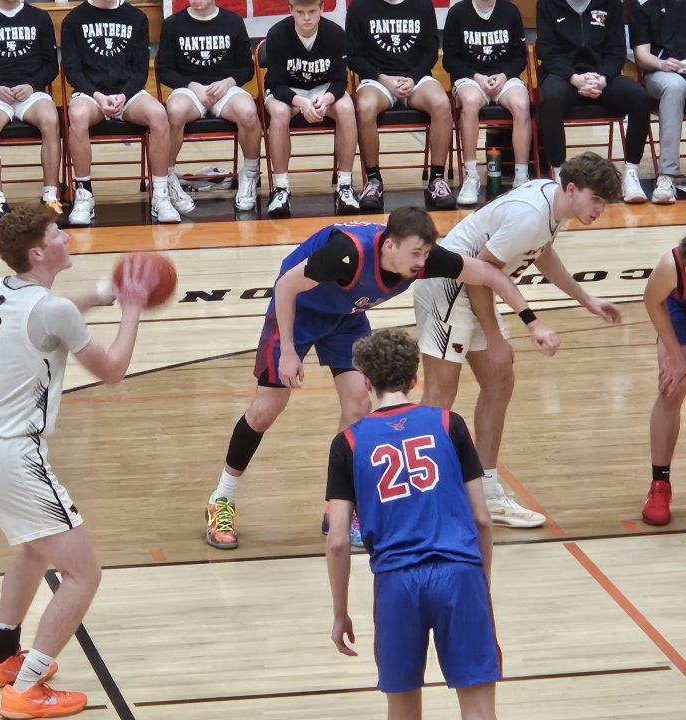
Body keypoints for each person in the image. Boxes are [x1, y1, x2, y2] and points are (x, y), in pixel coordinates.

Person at [203, 206, 559, 550]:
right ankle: (222, 498)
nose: (422, 263)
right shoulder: (347, 252)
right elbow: (285, 287)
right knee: (268, 408)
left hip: (345, 317)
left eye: (425, 254)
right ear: (390, 245)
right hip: (301, 310)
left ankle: (340, 511)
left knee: (359, 403)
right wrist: (289, 352)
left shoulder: (422, 260)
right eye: (416, 253)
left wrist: (532, 320)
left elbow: (487, 273)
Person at [0, 204, 156, 720]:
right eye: (56, 234)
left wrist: (107, 292)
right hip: (12, 458)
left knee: (32, 551)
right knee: (84, 573)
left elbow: (54, 315)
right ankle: (26, 689)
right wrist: (131, 307)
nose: (66, 237)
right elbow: (111, 370)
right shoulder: (53, 310)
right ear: (38, 252)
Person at [414, 152, 623, 528]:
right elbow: (482, 270)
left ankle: (487, 488)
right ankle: (422, 497)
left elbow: (541, 254)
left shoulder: (554, 206)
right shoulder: (530, 215)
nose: (600, 210)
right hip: (449, 285)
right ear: (572, 189)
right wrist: (507, 331)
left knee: (500, 379)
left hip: (475, 285)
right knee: (440, 397)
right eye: (596, 200)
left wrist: (585, 298)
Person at [325, 327, 499, 720]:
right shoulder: (448, 423)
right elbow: (482, 517)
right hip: (459, 574)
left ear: (365, 381)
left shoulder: (347, 443)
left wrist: (341, 611)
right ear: (415, 376)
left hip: (396, 583)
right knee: (479, 717)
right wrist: (483, 586)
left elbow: (340, 539)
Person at [62, 0, 181, 226]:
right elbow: (73, 71)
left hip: (128, 94)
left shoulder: (136, 17)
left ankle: (161, 195)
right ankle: (84, 195)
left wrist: (124, 96)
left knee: (158, 114)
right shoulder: (73, 20)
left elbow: (140, 71)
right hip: (91, 95)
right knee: (77, 116)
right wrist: (98, 96)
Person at [535, 0, 652, 203]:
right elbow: (547, 51)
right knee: (550, 98)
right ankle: (559, 174)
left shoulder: (612, 4)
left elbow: (617, 51)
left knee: (639, 97)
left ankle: (631, 173)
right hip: (563, 76)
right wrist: (574, 78)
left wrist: (604, 78)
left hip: (602, 76)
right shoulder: (546, 4)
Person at [345, 0, 456, 212]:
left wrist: (413, 78)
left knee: (442, 103)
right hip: (378, 80)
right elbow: (354, 57)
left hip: (416, 79)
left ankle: (437, 180)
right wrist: (383, 78)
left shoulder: (422, 5)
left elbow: (431, 51)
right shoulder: (359, 7)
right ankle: (374, 180)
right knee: (364, 107)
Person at [0, 0, 63, 233]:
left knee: (50, 120)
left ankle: (49, 196)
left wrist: (33, 84)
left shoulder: (40, 17)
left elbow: (51, 65)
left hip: (31, 92)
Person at [156, 0, 262, 214]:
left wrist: (229, 82)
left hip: (224, 89)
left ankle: (250, 174)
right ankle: (168, 178)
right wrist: (192, 85)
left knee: (249, 112)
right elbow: (164, 70)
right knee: (174, 112)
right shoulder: (173, 24)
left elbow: (246, 68)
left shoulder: (232, 21)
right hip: (190, 89)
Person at [261, 0, 359, 218]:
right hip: (286, 90)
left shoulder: (334, 33)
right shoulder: (277, 34)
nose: (306, 18)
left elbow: (339, 82)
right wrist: (302, 102)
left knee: (346, 108)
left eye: (312, 12)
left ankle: (344, 185)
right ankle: (281, 188)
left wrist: (325, 100)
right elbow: (275, 84)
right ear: (290, 10)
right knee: (279, 113)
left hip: (323, 88)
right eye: (301, 12)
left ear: (322, 9)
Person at [443, 0, 531, 206]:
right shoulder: (457, 13)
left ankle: (521, 177)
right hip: (471, 78)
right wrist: (476, 77)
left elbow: (520, 57)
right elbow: (450, 60)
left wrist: (504, 75)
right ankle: (471, 176)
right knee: (471, 101)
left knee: (522, 104)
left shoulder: (510, 11)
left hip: (503, 77)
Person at [638, 234, 686, 526]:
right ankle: (660, 485)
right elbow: (651, 300)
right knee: (673, 386)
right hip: (679, 309)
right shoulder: (672, 265)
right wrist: (674, 353)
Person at [629, 0, 686, 205]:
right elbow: (642, 56)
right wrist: (662, 63)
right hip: (660, 73)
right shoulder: (642, 3)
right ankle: (668, 177)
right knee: (675, 86)